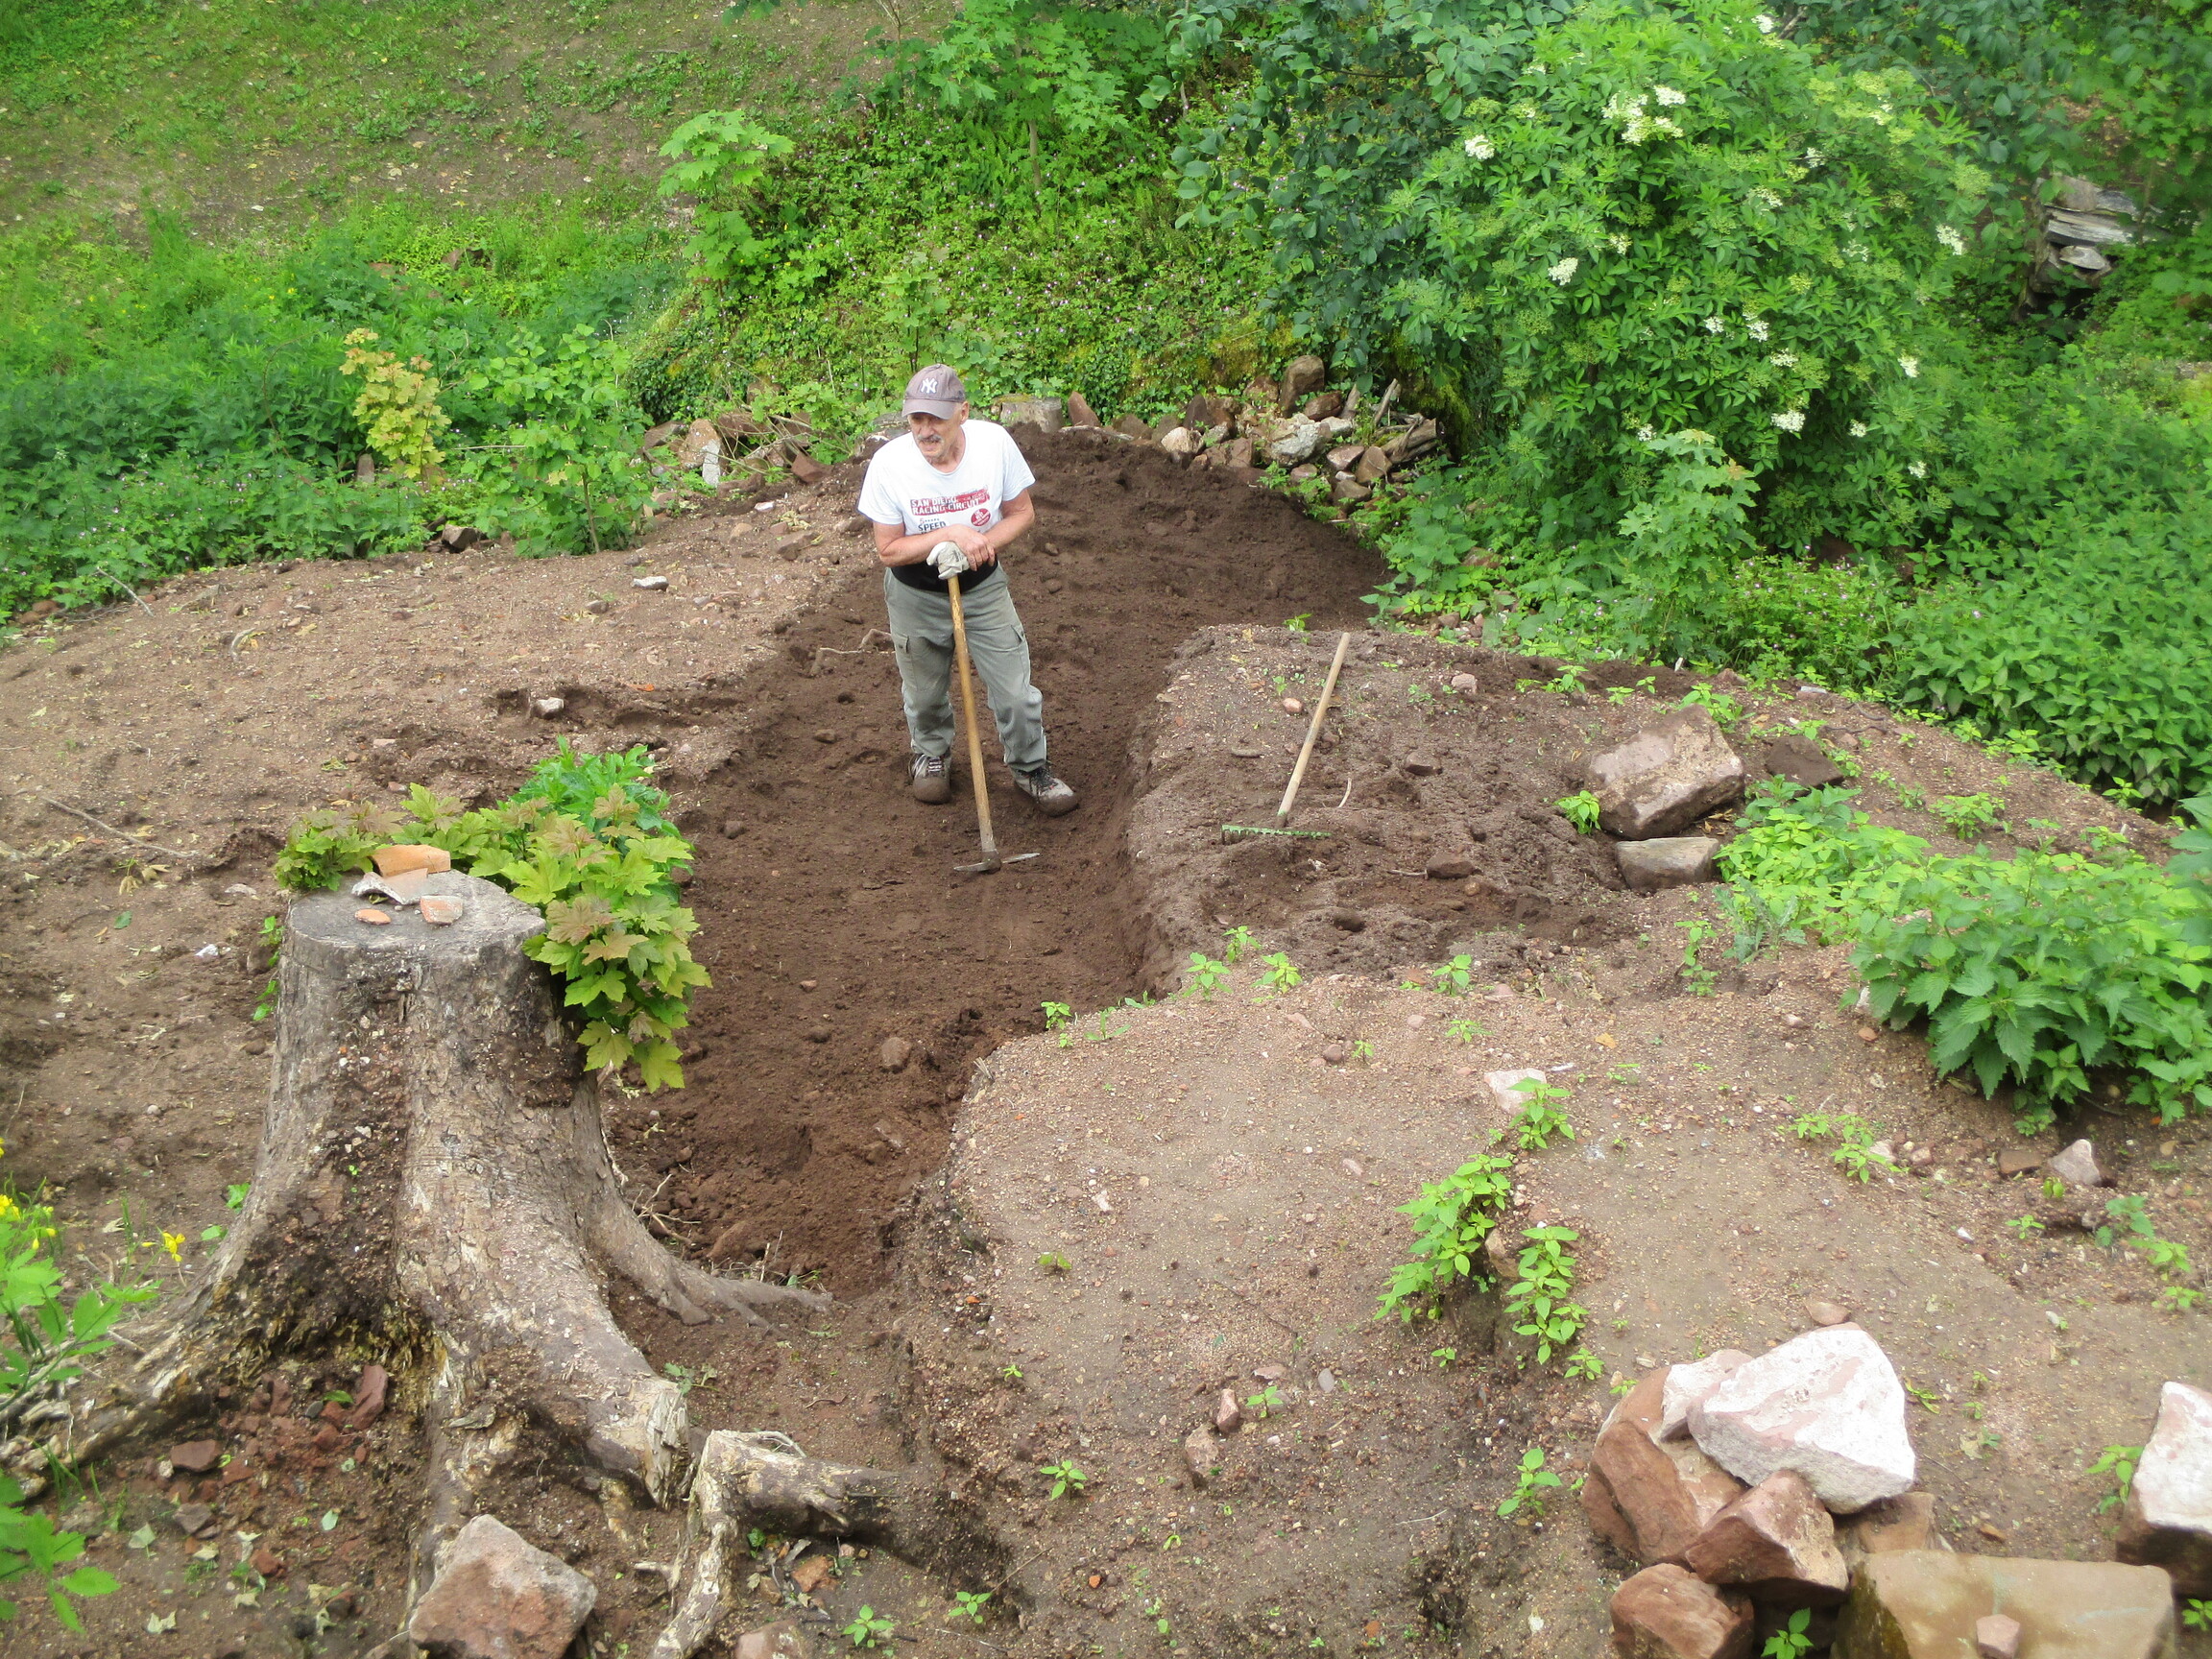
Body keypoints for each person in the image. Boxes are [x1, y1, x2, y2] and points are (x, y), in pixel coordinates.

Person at [856, 365, 1077, 815]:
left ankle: (1030, 768)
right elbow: (888, 550)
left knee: (1015, 693)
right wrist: (948, 536)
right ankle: (931, 754)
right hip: (915, 594)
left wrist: (978, 546)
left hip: (982, 587)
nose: (925, 430)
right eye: (917, 418)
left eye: (936, 418)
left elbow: (1022, 513)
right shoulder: (890, 464)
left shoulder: (994, 445)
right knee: (923, 693)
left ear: (963, 413)